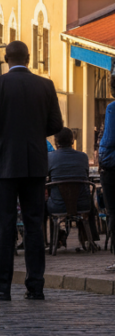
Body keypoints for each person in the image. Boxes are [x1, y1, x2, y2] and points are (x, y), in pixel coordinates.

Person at [0, 40, 63, 301]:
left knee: (4, 226)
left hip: (5, 165)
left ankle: (2, 287)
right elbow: (56, 124)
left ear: (6, 59)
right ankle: (35, 286)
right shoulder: (45, 85)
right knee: (35, 226)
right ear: (29, 58)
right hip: (36, 163)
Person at [45, 127, 95, 248]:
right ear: (72, 141)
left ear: (56, 142)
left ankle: (48, 240)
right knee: (91, 203)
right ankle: (90, 238)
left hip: (58, 205)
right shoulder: (83, 157)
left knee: (41, 206)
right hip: (82, 204)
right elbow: (86, 177)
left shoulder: (49, 158)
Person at [99, 73, 115, 273]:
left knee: (113, 212)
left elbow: (109, 140)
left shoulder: (112, 108)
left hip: (113, 168)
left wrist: (101, 155)